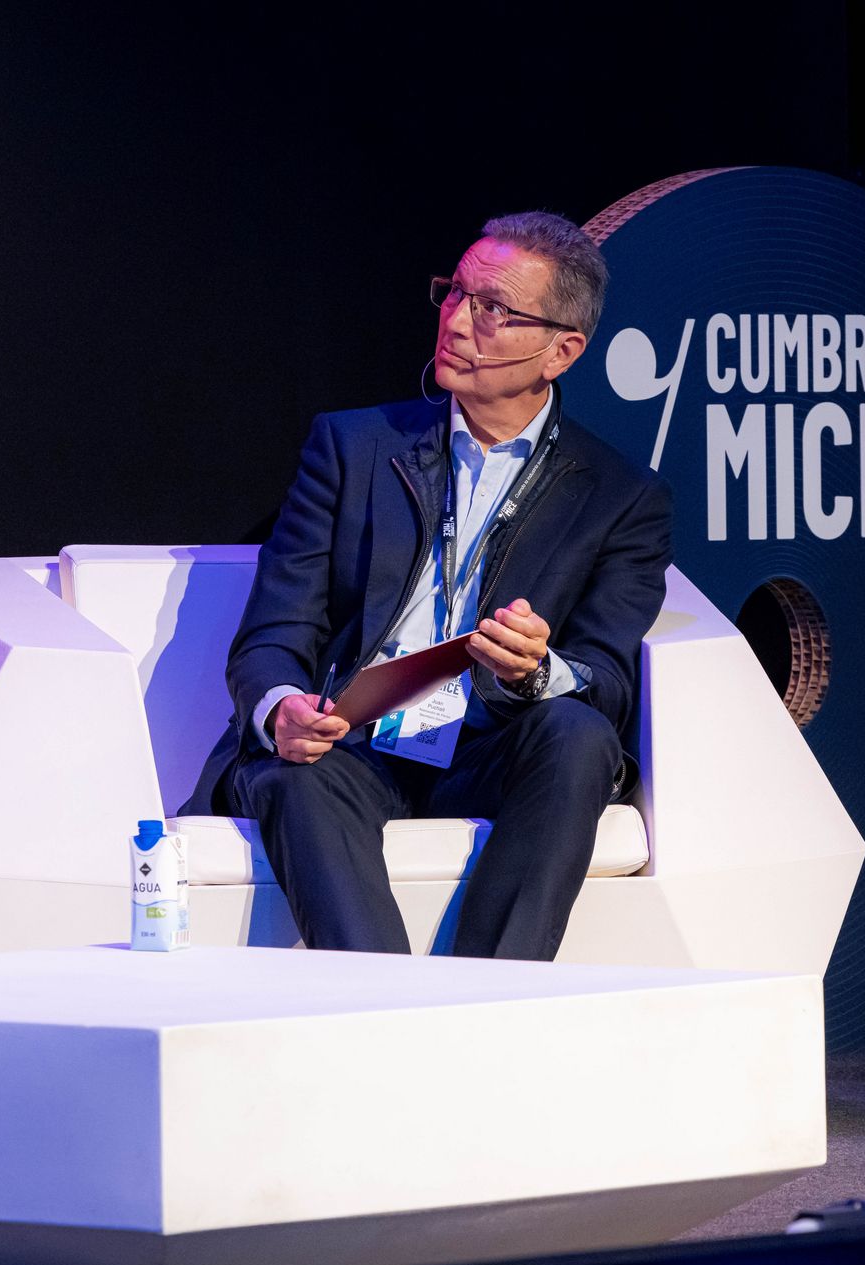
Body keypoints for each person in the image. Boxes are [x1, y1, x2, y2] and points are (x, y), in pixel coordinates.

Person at [183, 212, 671, 962]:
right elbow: (274, 633)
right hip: (352, 742)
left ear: (561, 351)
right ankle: (388, 1008)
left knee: (579, 736)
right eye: (457, 293)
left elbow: (606, 678)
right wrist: (282, 708)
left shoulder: (620, 496)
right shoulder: (352, 447)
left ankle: (493, 997)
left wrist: (537, 670)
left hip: (489, 746)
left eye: (494, 308)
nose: (458, 321)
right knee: (294, 776)